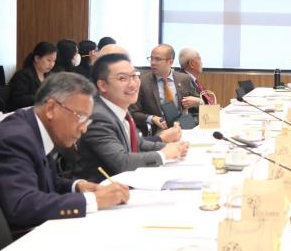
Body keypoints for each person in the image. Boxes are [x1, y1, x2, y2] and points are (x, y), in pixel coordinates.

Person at [0, 73, 130, 231]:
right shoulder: (14, 139)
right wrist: (93, 200)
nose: (84, 128)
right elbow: (22, 205)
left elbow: (42, 180)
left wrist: (76, 186)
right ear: (51, 108)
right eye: (80, 117)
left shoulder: (34, 126)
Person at [76, 53, 188, 181]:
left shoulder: (119, 108)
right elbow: (122, 162)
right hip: (103, 189)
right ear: (103, 85)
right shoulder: (98, 116)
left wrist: (174, 148)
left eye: (135, 76)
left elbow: (139, 144)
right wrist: (163, 154)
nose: (133, 84)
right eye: (122, 78)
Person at [131, 44, 194, 135]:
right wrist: (152, 118)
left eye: (157, 59)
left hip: (183, 126)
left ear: (170, 62)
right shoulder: (142, 81)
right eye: (151, 58)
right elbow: (133, 112)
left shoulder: (184, 79)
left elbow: (197, 106)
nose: (153, 62)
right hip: (158, 129)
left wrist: (197, 101)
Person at [9, 42, 57, 110]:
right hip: (24, 113)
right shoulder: (22, 75)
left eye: (54, 61)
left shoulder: (49, 76)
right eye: (49, 60)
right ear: (37, 58)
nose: (52, 64)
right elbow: (18, 99)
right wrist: (42, 98)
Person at [177, 47, 214, 118]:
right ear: (191, 64)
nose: (202, 63)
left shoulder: (192, 79)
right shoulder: (183, 80)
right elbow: (189, 108)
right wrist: (201, 103)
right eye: (199, 59)